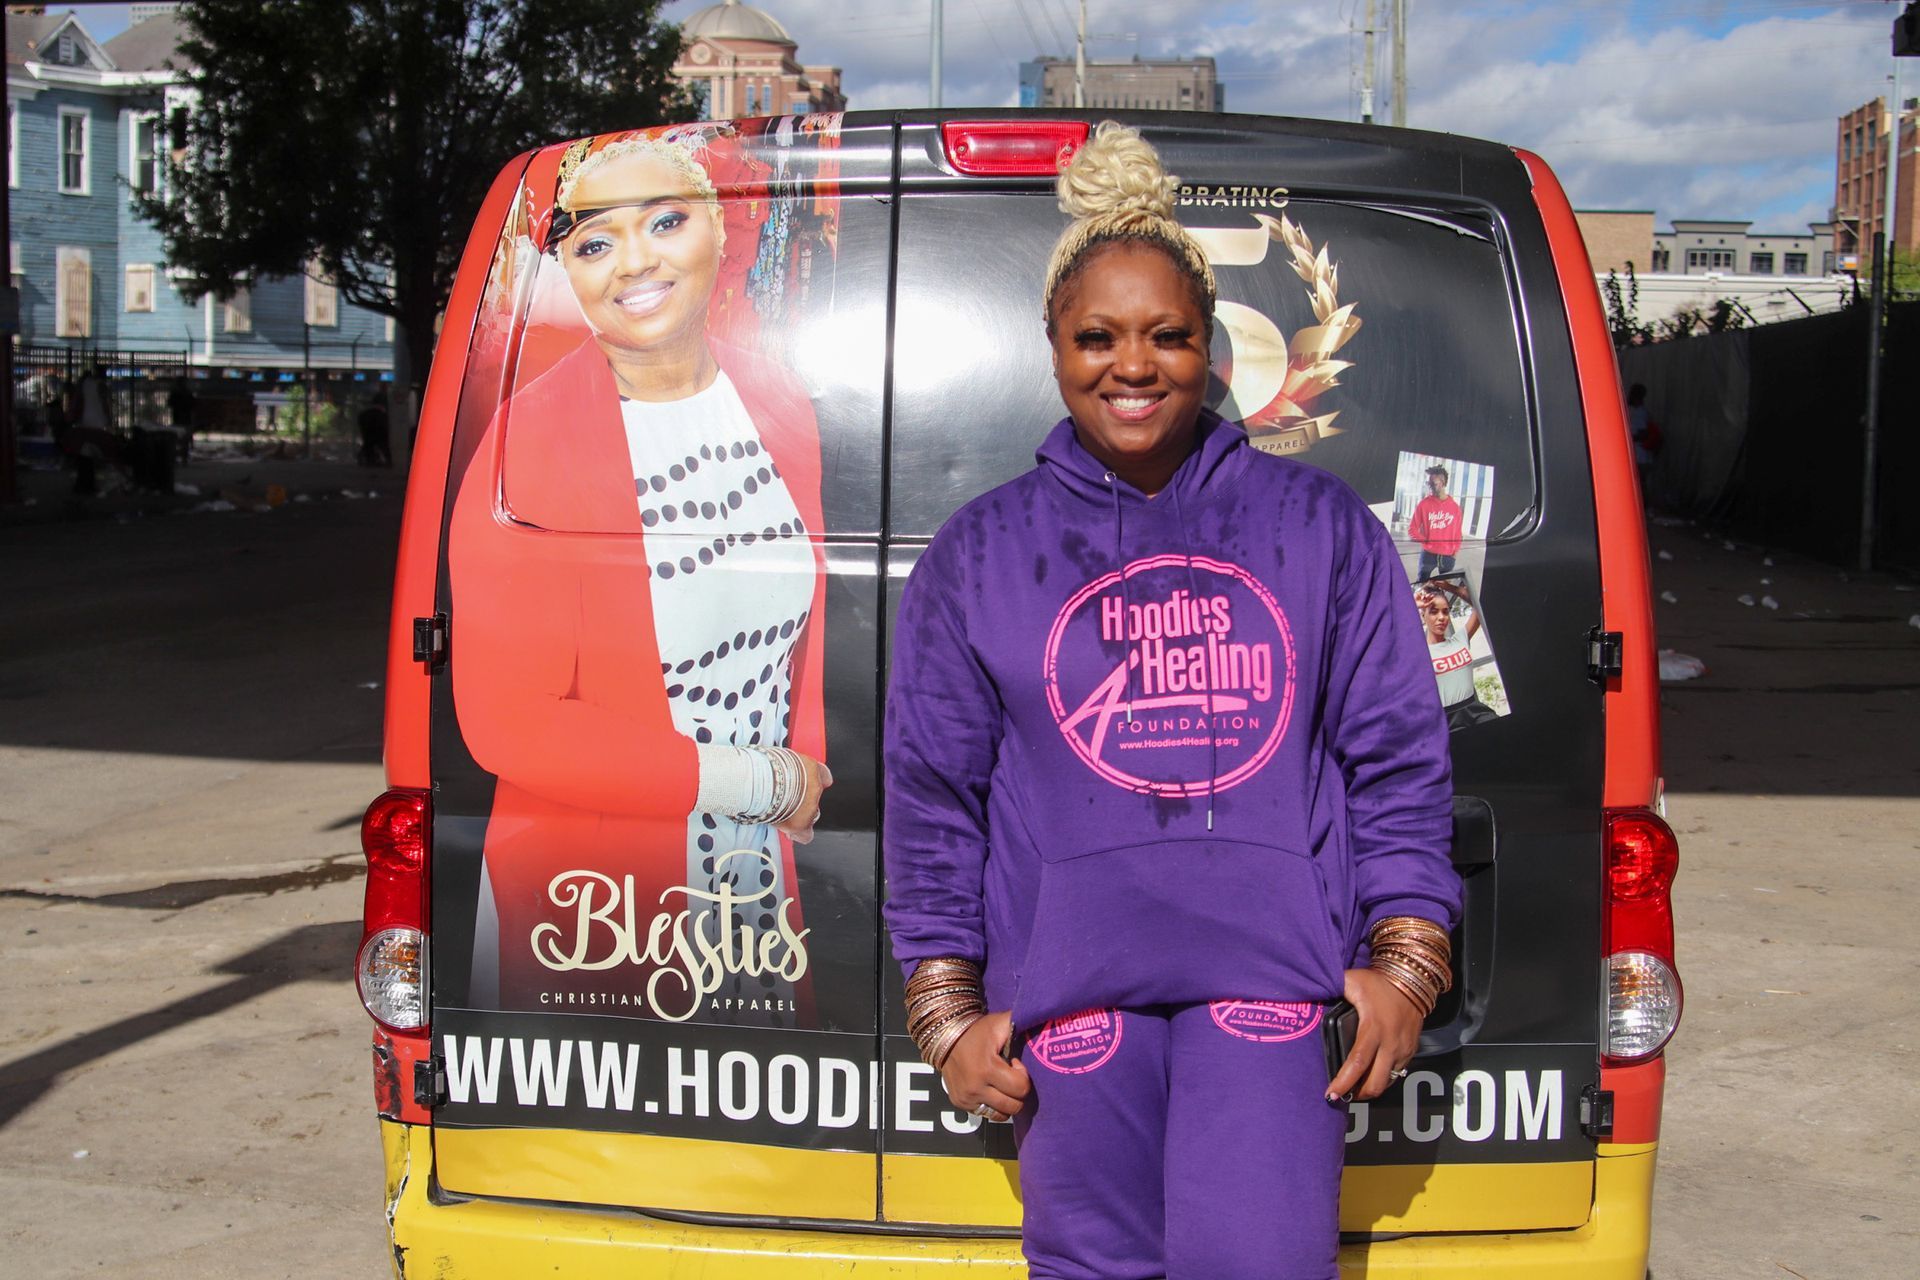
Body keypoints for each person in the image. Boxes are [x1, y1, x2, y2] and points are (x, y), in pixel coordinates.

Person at [882, 123, 1462, 1280]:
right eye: (1097, 336)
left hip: (1271, 992)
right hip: (1073, 1006)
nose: (1132, 365)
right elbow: (934, 796)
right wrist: (946, 1009)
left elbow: (1396, 757)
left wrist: (1407, 958)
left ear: (1213, 350)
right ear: (1052, 346)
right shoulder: (982, 550)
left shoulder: (1319, 529)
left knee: (1260, 1260)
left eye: (1168, 336)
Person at [447, 127, 832, 1021]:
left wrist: (805, 780)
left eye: (664, 222)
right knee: (621, 1156)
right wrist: (762, 783)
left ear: (719, 233)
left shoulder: (777, 401)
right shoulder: (524, 445)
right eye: (593, 242)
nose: (632, 263)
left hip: (762, 879)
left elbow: (804, 629)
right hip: (593, 908)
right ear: (569, 274)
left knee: (766, 1144)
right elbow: (508, 723)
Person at [1415, 576, 1498, 731]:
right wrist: (1414, 604)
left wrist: (1450, 587)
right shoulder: (1417, 652)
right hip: (1445, 721)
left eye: (1445, 612)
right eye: (1433, 612)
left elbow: (1479, 604)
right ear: (1423, 616)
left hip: (1474, 710)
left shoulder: (1460, 639)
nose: (1441, 618)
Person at [1407, 463, 1463, 579]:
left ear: (1443, 483)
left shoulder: (1455, 508)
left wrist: (1455, 552)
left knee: (1445, 586)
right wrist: (1426, 541)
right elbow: (1412, 529)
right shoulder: (1424, 504)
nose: (1430, 487)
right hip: (1428, 554)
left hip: (1448, 556)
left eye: (1433, 484)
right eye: (1429, 483)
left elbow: (1458, 533)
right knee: (1421, 585)